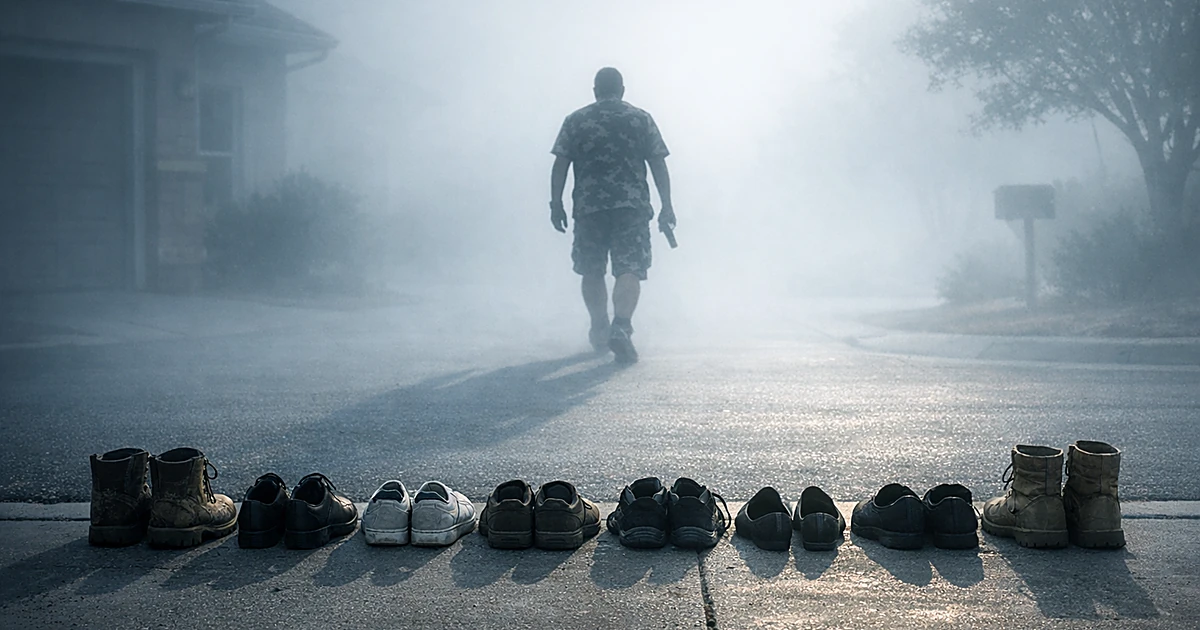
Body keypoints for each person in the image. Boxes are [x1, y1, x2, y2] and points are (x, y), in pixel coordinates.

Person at [549, 67, 675, 364]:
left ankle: (599, 326)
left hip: (589, 208)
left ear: (595, 90)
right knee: (629, 268)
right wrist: (667, 205)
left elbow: (560, 164)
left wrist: (556, 204)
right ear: (622, 89)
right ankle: (621, 325)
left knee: (591, 269)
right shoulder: (640, 118)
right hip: (631, 208)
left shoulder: (576, 120)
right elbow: (658, 163)